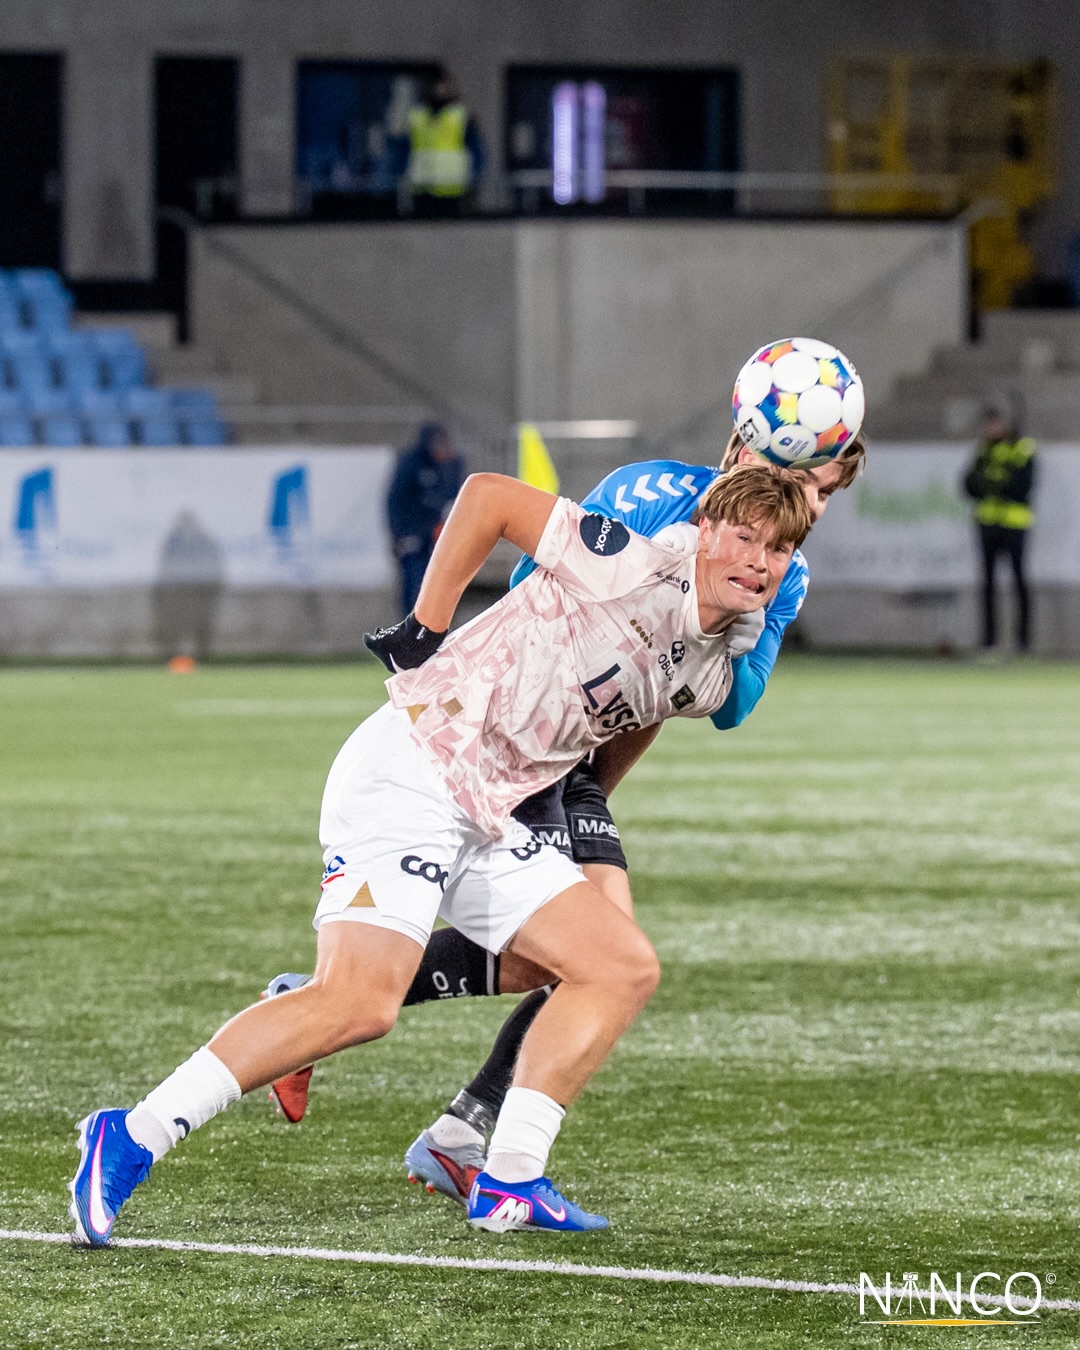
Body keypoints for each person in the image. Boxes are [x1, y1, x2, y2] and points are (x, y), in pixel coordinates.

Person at [70, 464, 812, 1244]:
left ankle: (512, 1178)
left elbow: (659, 703)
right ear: (704, 533)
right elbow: (488, 497)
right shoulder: (625, 560)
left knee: (617, 965)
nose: (759, 560)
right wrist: (425, 627)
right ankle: (131, 1134)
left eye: (779, 549)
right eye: (743, 537)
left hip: (485, 812)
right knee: (359, 1003)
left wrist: (596, 789)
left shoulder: (709, 668)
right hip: (414, 767)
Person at [262, 428, 866, 1201]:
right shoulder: (657, 495)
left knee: (601, 957)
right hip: (528, 728)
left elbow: (702, 698)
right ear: (748, 451)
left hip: (584, 762)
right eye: (809, 479)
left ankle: (447, 1120)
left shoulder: (781, 569)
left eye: (827, 493)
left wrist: (736, 642)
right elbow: (540, 572)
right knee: (596, 957)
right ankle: (450, 1121)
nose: (814, 502)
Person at [962, 402, 1037, 654]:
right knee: (988, 584)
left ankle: (1023, 641)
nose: (992, 428)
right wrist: (995, 482)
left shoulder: (1023, 448)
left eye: (996, 422)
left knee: (1019, 582)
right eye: (989, 423)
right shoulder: (983, 450)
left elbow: (1020, 487)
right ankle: (989, 640)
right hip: (987, 524)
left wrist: (990, 482)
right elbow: (968, 485)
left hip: (1015, 524)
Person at [387, 422, 465, 616]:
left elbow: (455, 498)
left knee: (441, 587)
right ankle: (410, 630)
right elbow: (396, 501)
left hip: (439, 536)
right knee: (415, 583)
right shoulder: (411, 464)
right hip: (413, 535)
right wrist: (398, 533)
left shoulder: (451, 465)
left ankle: (434, 632)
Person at [405, 69, 485, 216]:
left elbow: (477, 152)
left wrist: (473, 180)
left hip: (452, 189)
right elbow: (405, 150)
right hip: (422, 188)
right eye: (436, 84)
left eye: (443, 84)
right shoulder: (417, 115)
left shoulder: (461, 115)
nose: (439, 89)